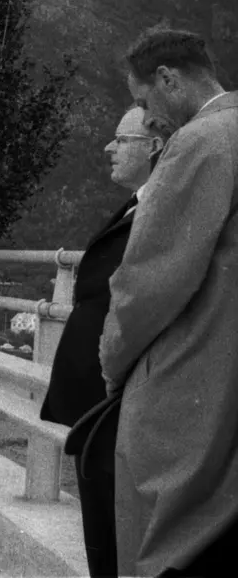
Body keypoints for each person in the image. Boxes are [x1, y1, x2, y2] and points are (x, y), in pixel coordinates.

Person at [99, 29, 238, 576]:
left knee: (159, 534)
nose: (149, 117)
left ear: (169, 80)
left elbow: (151, 279)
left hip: (195, 365)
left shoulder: (203, 140)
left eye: (143, 102)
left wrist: (114, 360)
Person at [38, 106, 168, 577]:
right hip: (96, 400)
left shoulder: (163, 207)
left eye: (121, 139)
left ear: (153, 146)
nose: (108, 147)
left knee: (114, 530)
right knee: (98, 526)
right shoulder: (139, 201)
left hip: (115, 399)